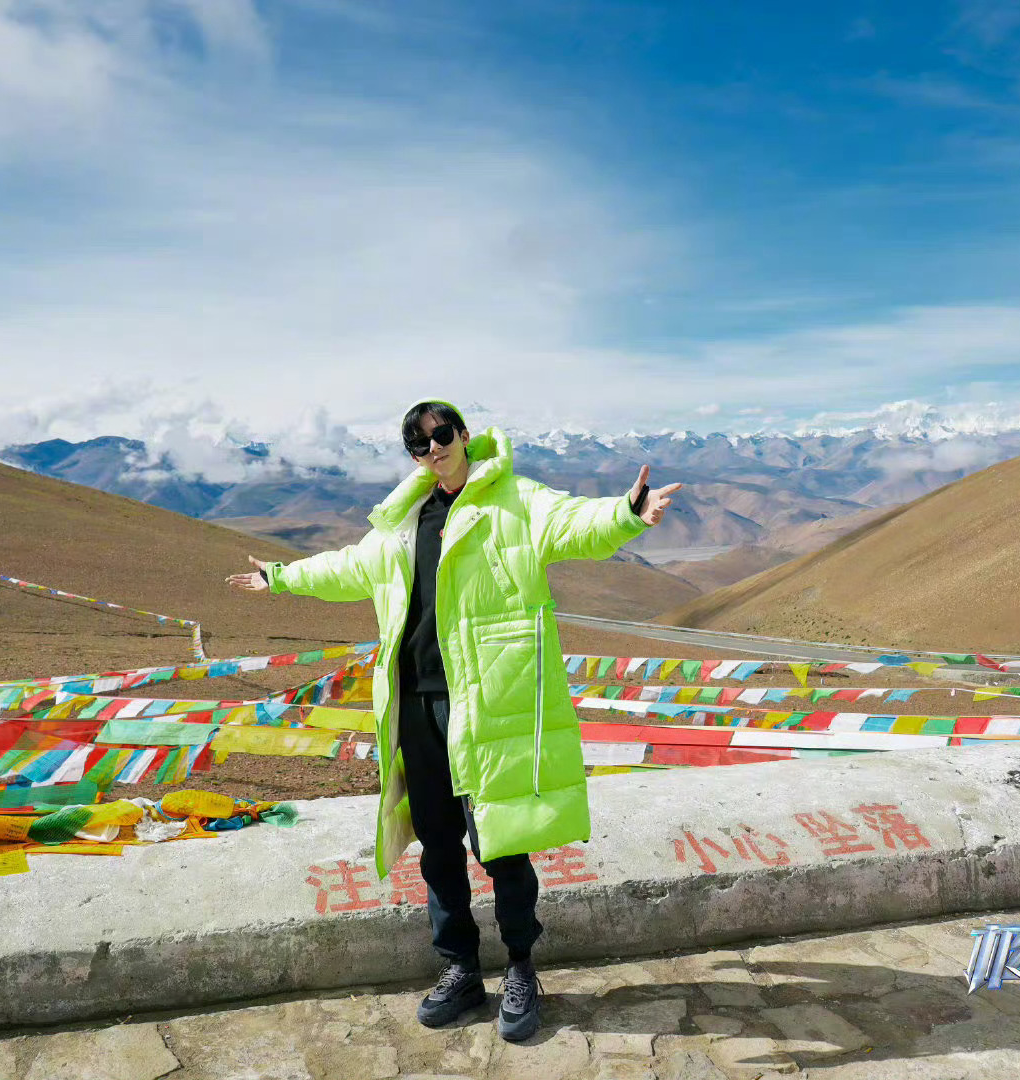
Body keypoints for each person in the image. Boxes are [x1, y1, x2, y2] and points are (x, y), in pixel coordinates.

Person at [227, 400, 681, 1042]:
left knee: (500, 841)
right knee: (437, 847)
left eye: (442, 435)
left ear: (466, 436)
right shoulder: (402, 518)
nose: (433, 449)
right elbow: (348, 568)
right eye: (418, 443)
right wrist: (280, 576)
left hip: (486, 703)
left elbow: (574, 523)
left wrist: (627, 512)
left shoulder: (514, 501)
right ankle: (461, 969)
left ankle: (522, 967)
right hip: (415, 703)